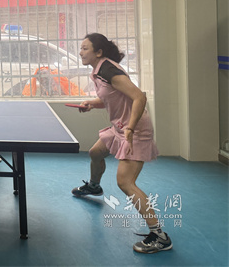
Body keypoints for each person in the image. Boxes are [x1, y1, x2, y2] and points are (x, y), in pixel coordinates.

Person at [72, 33, 172, 254]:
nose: (81, 52)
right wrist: (91, 104)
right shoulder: (98, 71)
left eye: (85, 48)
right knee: (96, 153)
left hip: (133, 131)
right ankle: (94, 186)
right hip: (120, 128)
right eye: (81, 48)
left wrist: (131, 128)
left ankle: (160, 236)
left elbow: (139, 97)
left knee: (125, 182)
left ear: (99, 52)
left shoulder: (110, 71)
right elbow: (110, 98)